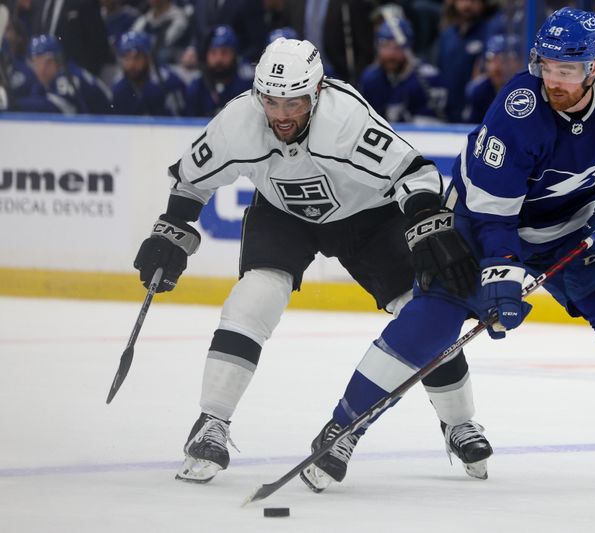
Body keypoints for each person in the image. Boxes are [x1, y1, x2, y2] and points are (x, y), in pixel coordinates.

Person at [301, 7, 595, 494]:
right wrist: (502, 275)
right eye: (546, 66)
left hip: (568, 230)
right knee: (427, 324)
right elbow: (494, 213)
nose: (553, 81)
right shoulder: (517, 109)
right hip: (479, 224)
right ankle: (342, 429)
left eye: (567, 71)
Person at [132, 37, 493, 485]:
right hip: (283, 214)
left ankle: (458, 422)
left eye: (295, 102)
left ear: (318, 92)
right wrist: (171, 228)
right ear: (257, 94)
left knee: (420, 311)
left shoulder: (347, 119)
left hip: (369, 216)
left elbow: (414, 172)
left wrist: (425, 221)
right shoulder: (238, 121)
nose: (282, 115)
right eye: (272, 101)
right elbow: (190, 180)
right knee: (256, 295)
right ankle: (211, 423)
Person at [359, 16, 447, 123]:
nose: (390, 54)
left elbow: (428, 131)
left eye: (397, 47)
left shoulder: (429, 79)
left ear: (409, 48)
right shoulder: (370, 79)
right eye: (385, 46)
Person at [110, 30, 185, 116]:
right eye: (126, 58)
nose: (131, 64)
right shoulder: (118, 87)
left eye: (137, 58)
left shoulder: (168, 82)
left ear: (148, 58)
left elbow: (180, 119)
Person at [183, 25, 251, 117]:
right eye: (213, 53)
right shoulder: (197, 87)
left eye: (225, 52)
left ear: (235, 55)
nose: (219, 59)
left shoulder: (248, 86)